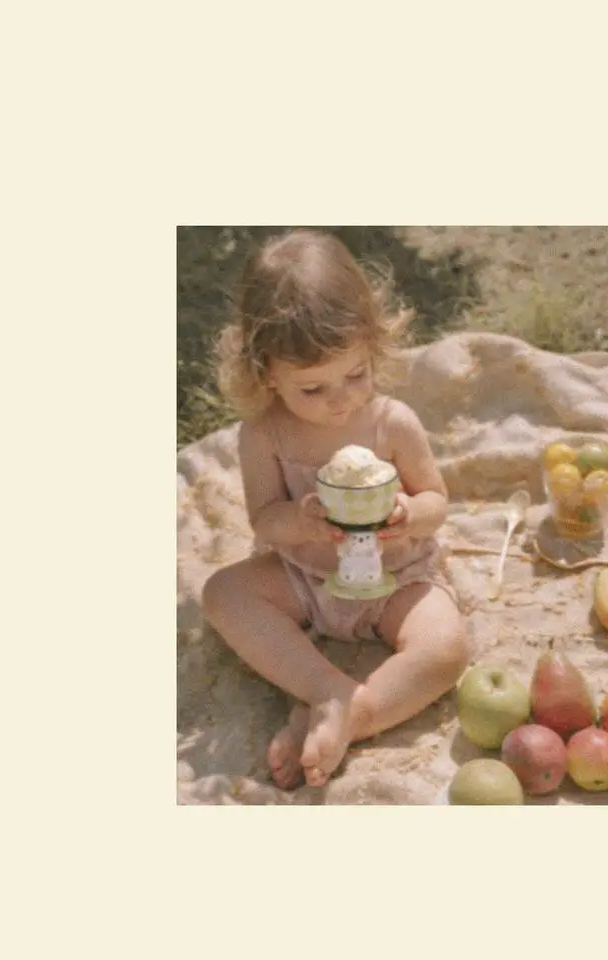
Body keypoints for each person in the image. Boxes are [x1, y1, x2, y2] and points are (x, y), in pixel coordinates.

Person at [201, 230, 469, 789]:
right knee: (223, 593)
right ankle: (328, 689)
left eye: (355, 374)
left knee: (446, 648)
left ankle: (352, 715)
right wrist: (299, 521)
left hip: (397, 577)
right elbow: (264, 518)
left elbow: (436, 501)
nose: (342, 398)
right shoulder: (265, 435)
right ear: (267, 373)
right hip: (307, 577)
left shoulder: (390, 422)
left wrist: (407, 515)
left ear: (373, 346)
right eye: (313, 389)